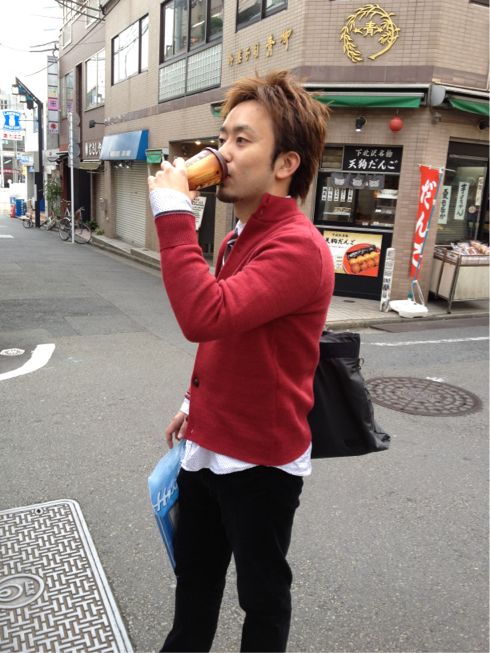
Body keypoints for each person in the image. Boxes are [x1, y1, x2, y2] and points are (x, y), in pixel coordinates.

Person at [148, 70, 334, 653]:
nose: (222, 152)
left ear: (286, 164)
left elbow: (203, 314)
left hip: (262, 463)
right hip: (207, 444)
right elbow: (228, 332)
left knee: (262, 598)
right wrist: (193, 400)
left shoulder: (298, 247)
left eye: (242, 139)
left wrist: (174, 213)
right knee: (194, 583)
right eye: (222, 137)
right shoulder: (238, 236)